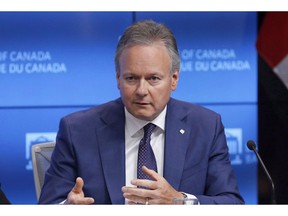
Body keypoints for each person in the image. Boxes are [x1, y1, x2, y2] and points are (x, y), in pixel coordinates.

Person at [39, 20, 244, 205]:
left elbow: (231, 203)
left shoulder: (206, 127)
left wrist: (180, 202)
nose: (141, 91)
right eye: (131, 78)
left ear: (174, 79)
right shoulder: (78, 130)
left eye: (153, 78)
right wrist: (67, 208)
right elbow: (48, 205)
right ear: (118, 78)